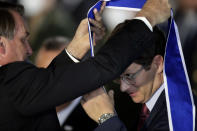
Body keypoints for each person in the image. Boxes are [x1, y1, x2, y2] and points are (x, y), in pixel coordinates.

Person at [0, 0, 170, 130]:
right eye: (23, 40)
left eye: (129, 75)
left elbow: (48, 84)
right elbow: (104, 66)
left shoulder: (14, 87)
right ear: (1, 46)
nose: (30, 50)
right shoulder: (11, 82)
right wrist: (146, 19)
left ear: (159, 63)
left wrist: (75, 49)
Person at [81, 16, 197, 131]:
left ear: (157, 64)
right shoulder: (135, 105)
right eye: (118, 77)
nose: (123, 87)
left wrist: (106, 118)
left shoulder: (182, 114)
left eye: (129, 76)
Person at [35, 36, 97, 131]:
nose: (51, 82)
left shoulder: (96, 119)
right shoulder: (27, 113)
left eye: (59, 74)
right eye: (44, 74)